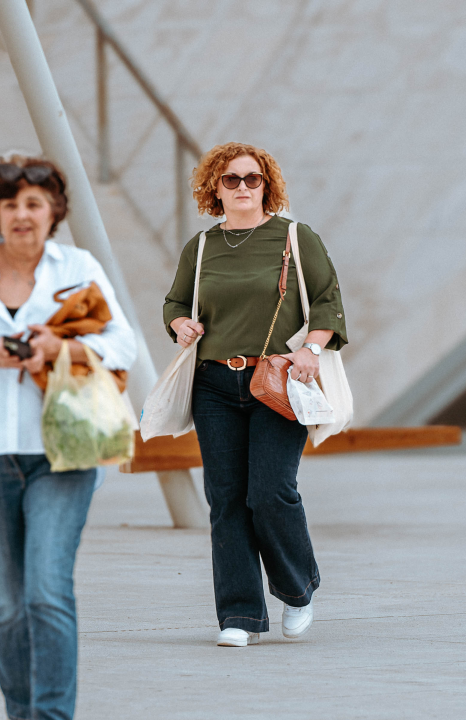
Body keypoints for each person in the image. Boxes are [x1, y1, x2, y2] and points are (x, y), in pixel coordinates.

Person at [0, 155, 136, 719]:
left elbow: (124, 346)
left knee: (46, 591)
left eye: (34, 203)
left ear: (55, 212)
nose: (22, 214)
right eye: (11, 203)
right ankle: (20, 713)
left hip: (63, 453)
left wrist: (61, 347)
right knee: (8, 603)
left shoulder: (78, 267)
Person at [163, 142, 347, 647]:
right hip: (215, 384)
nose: (243, 188)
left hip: (279, 380)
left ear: (267, 186)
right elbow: (176, 301)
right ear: (214, 188)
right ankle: (239, 616)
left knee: (269, 492)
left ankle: (296, 587)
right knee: (226, 500)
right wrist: (180, 323)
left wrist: (312, 347)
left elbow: (328, 300)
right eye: (231, 180)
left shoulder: (294, 237)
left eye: (253, 179)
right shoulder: (201, 248)